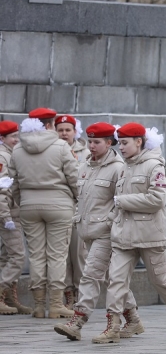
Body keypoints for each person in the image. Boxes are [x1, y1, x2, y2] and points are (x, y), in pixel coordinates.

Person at [94, 123, 166, 343]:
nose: (121, 147)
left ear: (139, 141)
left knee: (160, 281)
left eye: (125, 143)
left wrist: (123, 201)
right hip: (123, 235)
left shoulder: (154, 166)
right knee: (116, 280)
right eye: (119, 143)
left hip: (150, 234)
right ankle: (112, 326)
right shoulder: (123, 167)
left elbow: (157, 199)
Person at [53, 122, 143, 341]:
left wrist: (109, 222)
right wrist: (77, 219)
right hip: (87, 231)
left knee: (91, 275)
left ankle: (78, 320)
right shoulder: (85, 166)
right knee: (111, 278)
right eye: (90, 141)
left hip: (106, 232)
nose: (91, 146)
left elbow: (120, 202)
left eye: (97, 142)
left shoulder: (118, 168)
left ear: (108, 143)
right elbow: (81, 198)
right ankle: (133, 320)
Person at [9, 108, 78, 319]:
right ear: (50, 125)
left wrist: (23, 202)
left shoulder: (18, 149)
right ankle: (56, 305)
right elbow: (74, 177)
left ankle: (39, 305)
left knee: (37, 256)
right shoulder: (61, 147)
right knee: (57, 255)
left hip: (29, 205)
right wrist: (76, 199)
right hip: (59, 204)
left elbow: (13, 182)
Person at [57, 115, 90, 308]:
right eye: (60, 130)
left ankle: (80, 294)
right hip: (60, 206)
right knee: (62, 255)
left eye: (67, 130)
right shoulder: (52, 151)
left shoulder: (85, 152)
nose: (64, 133)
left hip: (80, 208)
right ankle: (67, 294)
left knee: (79, 255)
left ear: (74, 131)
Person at [0, 121, 31, 315]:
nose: (16, 140)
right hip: (8, 214)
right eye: (12, 137)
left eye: (17, 136)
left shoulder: (10, 153)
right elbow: (3, 190)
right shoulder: (3, 156)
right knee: (18, 257)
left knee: (6, 257)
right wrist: (5, 217)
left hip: (12, 213)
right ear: (2, 139)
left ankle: (8, 298)